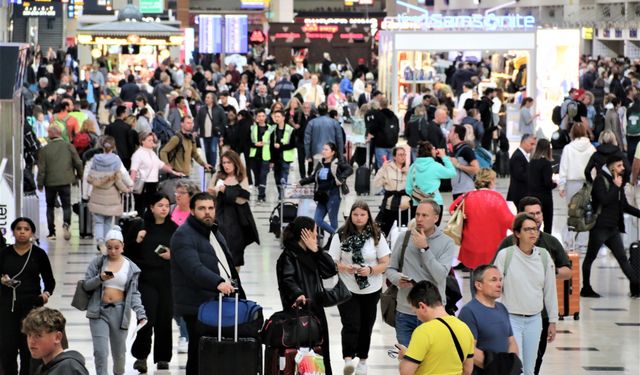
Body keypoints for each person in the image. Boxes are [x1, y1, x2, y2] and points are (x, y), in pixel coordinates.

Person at [170, 192, 245, 375]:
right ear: (193, 211)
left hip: (215, 302)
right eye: (202, 208)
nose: (207, 212)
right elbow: (193, 268)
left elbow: (226, 264)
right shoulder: (184, 235)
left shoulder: (214, 231)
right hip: (197, 305)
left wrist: (239, 293)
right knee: (198, 352)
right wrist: (218, 282)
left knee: (213, 352)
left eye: (210, 208)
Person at [496, 196, 571, 375]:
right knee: (516, 365)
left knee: (531, 368)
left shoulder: (544, 255)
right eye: (528, 229)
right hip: (511, 317)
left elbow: (550, 291)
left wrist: (553, 320)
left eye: (535, 229)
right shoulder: (506, 254)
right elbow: (496, 286)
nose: (533, 232)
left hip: (535, 319)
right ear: (517, 232)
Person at [328, 201, 391, 375]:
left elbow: (385, 263)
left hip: (372, 288)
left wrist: (371, 270)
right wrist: (344, 267)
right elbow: (331, 260)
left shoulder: (377, 235)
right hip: (347, 287)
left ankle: (363, 360)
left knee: (366, 325)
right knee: (350, 323)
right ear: (350, 216)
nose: (359, 218)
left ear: (368, 216)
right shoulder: (340, 234)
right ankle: (348, 359)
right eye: (355, 214)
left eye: (363, 214)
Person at [385, 200, 457, 346]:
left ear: (436, 218)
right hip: (405, 311)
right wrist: (397, 279)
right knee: (407, 360)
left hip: (433, 313)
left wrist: (425, 249)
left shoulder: (447, 243)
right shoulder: (404, 238)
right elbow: (390, 268)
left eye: (425, 215)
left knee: (430, 363)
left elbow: (440, 275)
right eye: (417, 214)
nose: (419, 219)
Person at [276, 216, 338, 375]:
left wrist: (317, 250)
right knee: (304, 355)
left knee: (321, 353)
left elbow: (330, 271)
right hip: (300, 314)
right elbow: (288, 279)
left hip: (316, 311)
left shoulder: (311, 253)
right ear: (305, 233)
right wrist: (298, 294)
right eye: (314, 232)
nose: (316, 236)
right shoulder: (288, 256)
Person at [83, 226, 146, 375]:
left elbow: (134, 293)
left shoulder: (130, 267)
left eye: (116, 247)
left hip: (119, 312)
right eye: (109, 247)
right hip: (98, 311)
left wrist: (140, 313)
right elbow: (86, 285)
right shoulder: (98, 263)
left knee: (119, 354)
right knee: (100, 352)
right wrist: (100, 278)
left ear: (122, 247)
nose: (112, 251)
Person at [126, 194, 177, 373]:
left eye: (166, 205)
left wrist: (172, 255)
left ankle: (163, 358)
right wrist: (136, 241)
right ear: (151, 207)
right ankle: (141, 356)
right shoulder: (140, 226)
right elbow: (125, 252)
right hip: (145, 279)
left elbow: (182, 253)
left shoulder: (174, 229)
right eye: (160, 205)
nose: (164, 209)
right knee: (146, 318)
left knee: (164, 319)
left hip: (166, 280)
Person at [0, 218, 56, 375]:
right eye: (18, 228)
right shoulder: (4, 253)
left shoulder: (38, 254)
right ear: (13, 232)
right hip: (7, 306)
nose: (22, 232)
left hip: (31, 308)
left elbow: (49, 281)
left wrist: (46, 294)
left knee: (29, 348)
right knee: (7, 347)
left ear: (32, 232)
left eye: (26, 229)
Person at [582, 154, 640, 298]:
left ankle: (638, 287)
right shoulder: (600, 180)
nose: (622, 168)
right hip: (600, 228)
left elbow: (624, 205)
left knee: (622, 259)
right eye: (619, 165)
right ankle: (586, 288)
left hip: (613, 229)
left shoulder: (618, 181)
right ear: (611, 166)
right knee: (590, 258)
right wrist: (615, 187)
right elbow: (604, 200)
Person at [449, 169, 513, 286]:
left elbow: (452, 209)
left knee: (475, 280)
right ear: (491, 181)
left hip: (471, 247)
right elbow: (510, 221)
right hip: (493, 248)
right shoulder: (497, 198)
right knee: (491, 282)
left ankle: (476, 302)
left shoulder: (467, 196)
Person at [396, 280, 475, 375]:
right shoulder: (464, 328)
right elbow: (468, 370)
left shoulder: (424, 331)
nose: (417, 317)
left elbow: (405, 372)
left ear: (422, 306)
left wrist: (404, 357)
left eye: (415, 312)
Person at [458, 265, 519, 373]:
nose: (499, 284)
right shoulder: (468, 312)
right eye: (493, 280)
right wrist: (496, 368)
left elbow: (511, 341)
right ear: (478, 285)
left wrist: (512, 365)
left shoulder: (502, 308)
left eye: (500, 280)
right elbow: (468, 349)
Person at [207, 150, 260, 271]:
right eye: (224, 162)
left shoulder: (241, 176)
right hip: (220, 216)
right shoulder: (218, 175)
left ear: (235, 163)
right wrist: (215, 192)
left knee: (236, 252)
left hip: (237, 219)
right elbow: (210, 192)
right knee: (219, 248)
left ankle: (235, 281)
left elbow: (243, 198)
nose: (226, 165)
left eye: (229, 162)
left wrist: (226, 191)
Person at [83, 136, 133, 254]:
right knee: (107, 221)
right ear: (113, 147)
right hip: (111, 195)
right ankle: (106, 242)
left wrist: (85, 194)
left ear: (101, 146)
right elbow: (120, 178)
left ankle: (100, 242)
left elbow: (89, 177)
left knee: (99, 221)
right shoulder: (116, 160)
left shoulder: (96, 159)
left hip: (97, 194)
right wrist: (128, 187)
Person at [37, 125, 83, 241]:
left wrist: (40, 184)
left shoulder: (44, 149)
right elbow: (78, 162)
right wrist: (79, 176)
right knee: (67, 205)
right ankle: (66, 224)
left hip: (50, 183)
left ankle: (51, 232)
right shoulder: (69, 146)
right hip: (66, 181)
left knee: (50, 206)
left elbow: (41, 169)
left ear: (51, 134)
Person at [300, 142, 353, 235]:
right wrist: (301, 182)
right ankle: (338, 236)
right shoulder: (321, 163)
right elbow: (313, 177)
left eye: (326, 149)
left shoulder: (337, 162)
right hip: (322, 195)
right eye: (323, 149)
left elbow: (350, 169)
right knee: (318, 219)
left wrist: (341, 178)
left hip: (334, 195)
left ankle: (333, 241)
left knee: (333, 221)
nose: (323, 151)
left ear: (333, 152)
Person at [558, 123, 596, 248]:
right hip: (587, 184)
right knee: (586, 212)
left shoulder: (568, 148)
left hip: (572, 184)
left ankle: (570, 240)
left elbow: (563, 167)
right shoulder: (591, 148)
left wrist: (562, 186)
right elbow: (594, 169)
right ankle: (583, 241)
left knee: (572, 212)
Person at [22, 307, 89, 375]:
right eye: (29, 335)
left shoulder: (69, 369)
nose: (31, 341)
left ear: (57, 337)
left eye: (38, 336)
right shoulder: (42, 369)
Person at [405, 141, 456, 227]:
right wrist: (444, 157)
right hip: (435, 203)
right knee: (433, 233)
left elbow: (408, 189)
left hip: (417, 205)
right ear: (430, 151)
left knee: (419, 232)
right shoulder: (435, 166)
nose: (435, 149)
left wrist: (417, 197)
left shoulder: (413, 167)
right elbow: (452, 173)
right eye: (433, 148)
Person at [373, 146, 411, 236]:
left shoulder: (409, 169)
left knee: (404, 231)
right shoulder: (387, 167)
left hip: (405, 205)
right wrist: (382, 169)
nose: (403, 157)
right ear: (394, 157)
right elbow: (376, 184)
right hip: (389, 204)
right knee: (382, 232)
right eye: (400, 155)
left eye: (404, 154)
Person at [527, 139, 557, 234]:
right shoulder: (546, 163)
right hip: (545, 197)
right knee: (547, 223)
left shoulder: (532, 162)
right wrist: (555, 184)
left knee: (533, 222)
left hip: (532, 195)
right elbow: (547, 182)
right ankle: (546, 243)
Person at [265, 110, 296, 195]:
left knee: (284, 175)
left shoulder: (290, 129)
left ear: (283, 117)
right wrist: (271, 160)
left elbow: (293, 144)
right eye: (275, 117)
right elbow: (271, 145)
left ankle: (282, 194)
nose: (276, 118)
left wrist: (281, 146)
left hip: (285, 157)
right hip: (276, 157)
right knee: (277, 176)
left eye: (278, 116)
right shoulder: (273, 129)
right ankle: (280, 193)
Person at [195, 92, 227, 168]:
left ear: (213, 99)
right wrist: (195, 130)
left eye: (208, 97)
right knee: (207, 151)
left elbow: (224, 121)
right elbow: (197, 120)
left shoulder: (219, 109)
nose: (206, 99)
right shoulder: (202, 109)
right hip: (204, 133)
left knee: (213, 150)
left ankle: (212, 166)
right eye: (206, 97)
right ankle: (209, 165)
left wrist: (222, 133)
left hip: (214, 133)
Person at [449, 125, 480, 200]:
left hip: (465, 191)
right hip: (457, 190)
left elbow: (476, 169)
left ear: (456, 135)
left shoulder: (466, 149)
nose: (448, 134)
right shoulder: (454, 149)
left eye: (450, 132)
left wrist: (458, 165)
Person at [366, 97, 399, 169]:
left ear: (380, 104)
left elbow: (373, 128)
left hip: (381, 144)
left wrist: (370, 135)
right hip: (392, 144)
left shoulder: (379, 115)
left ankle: (383, 180)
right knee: (391, 166)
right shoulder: (394, 116)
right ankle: (389, 179)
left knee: (382, 167)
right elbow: (397, 129)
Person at [507, 134, 536, 208]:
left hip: (523, 193)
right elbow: (520, 175)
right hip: (519, 194)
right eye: (531, 144)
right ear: (524, 142)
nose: (533, 147)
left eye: (534, 144)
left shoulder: (524, 155)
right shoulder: (518, 156)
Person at [104, 105, 138, 170]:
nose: (127, 114)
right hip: (125, 157)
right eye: (126, 112)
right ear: (123, 113)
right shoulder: (127, 127)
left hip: (112, 155)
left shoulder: (109, 127)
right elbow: (130, 143)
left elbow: (106, 141)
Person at [248, 109, 271, 202]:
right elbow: (248, 141)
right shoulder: (252, 128)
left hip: (265, 155)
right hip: (254, 155)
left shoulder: (270, 128)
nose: (261, 118)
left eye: (263, 116)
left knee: (263, 175)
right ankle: (259, 189)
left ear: (265, 117)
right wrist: (255, 144)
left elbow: (272, 143)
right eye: (259, 116)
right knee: (257, 177)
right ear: (256, 118)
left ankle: (262, 195)